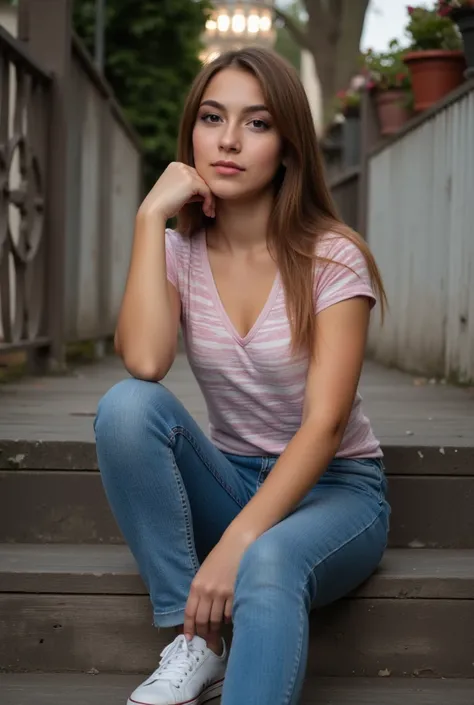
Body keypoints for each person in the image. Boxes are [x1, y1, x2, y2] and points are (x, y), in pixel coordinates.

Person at [94, 46, 391, 705]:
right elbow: (144, 364)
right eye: (211, 118)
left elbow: (326, 423)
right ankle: (194, 638)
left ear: (287, 146)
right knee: (125, 407)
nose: (227, 141)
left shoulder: (333, 258)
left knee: (270, 560)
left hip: (336, 490)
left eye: (256, 123)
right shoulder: (176, 251)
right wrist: (151, 218)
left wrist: (239, 540)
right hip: (230, 475)